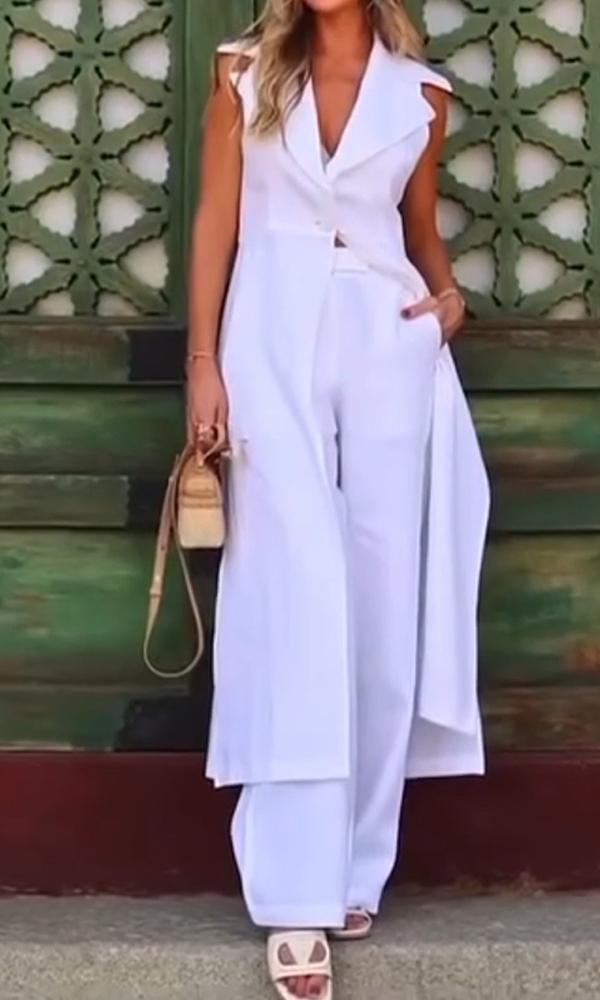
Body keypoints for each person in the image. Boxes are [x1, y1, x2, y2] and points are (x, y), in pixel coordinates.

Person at [186, 1, 490, 997]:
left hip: (387, 341)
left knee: (382, 603)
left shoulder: (422, 96)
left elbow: (418, 228)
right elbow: (218, 220)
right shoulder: (241, 74)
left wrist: (449, 298)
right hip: (268, 342)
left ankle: (358, 865)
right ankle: (294, 890)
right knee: (297, 597)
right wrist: (202, 365)